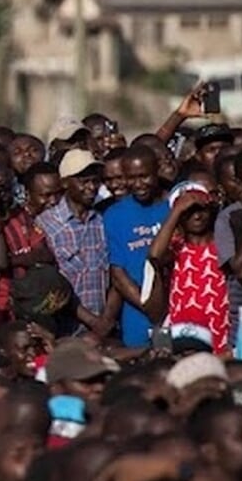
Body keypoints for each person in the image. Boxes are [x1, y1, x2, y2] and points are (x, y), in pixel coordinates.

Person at [35, 149, 117, 337]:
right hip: (66, 330)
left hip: (103, 329)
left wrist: (105, 320)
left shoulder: (101, 221)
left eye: (95, 181)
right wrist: (91, 320)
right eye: (83, 181)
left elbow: (114, 275)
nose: (91, 187)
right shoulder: (47, 224)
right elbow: (50, 284)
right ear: (65, 183)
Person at [148, 178, 227, 353]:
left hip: (220, 330)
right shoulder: (176, 248)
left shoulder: (223, 242)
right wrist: (176, 211)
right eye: (188, 212)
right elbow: (154, 256)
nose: (197, 216)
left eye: (200, 210)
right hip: (182, 334)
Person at [103, 146, 171, 349]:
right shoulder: (114, 215)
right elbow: (118, 273)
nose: (138, 184)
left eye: (144, 176)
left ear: (157, 171)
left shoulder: (173, 206)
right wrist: (150, 307)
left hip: (178, 310)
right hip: (138, 318)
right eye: (131, 178)